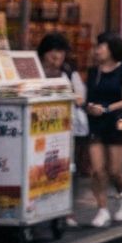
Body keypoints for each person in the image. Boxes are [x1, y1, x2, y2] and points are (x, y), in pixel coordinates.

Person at [85, 33, 122, 227]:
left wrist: (107, 108)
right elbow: (87, 94)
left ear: (112, 48)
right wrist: (89, 106)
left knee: (115, 170)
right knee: (97, 170)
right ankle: (102, 209)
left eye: (101, 47)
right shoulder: (93, 71)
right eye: (97, 47)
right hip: (95, 122)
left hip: (116, 121)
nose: (98, 50)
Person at [39, 33, 88, 228]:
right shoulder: (35, 71)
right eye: (52, 52)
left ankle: (67, 209)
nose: (56, 56)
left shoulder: (69, 73)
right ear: (44, 53)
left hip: (66, 129)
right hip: (39, 130)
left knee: (67, 168)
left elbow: (80, 99)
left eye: (60, 52)